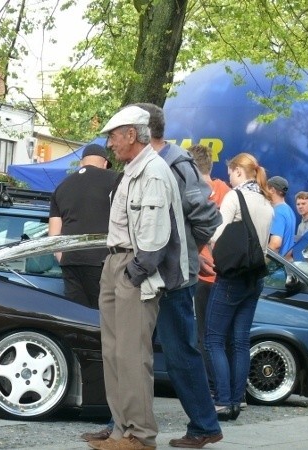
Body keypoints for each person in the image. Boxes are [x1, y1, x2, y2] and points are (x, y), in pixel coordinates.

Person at [92, 105, 188, 450]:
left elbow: (154, 233)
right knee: (116, 354)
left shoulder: (154, 171)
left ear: (131, 134)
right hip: (120, 264)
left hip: (133, 267)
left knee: (132, 355)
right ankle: (122, 430)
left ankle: (140, 436)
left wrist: (135, 272)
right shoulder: (138, 168)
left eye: (113, 136)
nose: (110, 144)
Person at [135, 104, 224, 449]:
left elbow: (207, 217)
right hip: (151, 273)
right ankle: (120, 423)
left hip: (171, 278)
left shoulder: (176, 164)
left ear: (140, 129)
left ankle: (204, 426)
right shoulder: (146, 163)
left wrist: (188, 251)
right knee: (134, 350)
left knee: (180, 353)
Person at [205, 153, 274, 422]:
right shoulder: (267, 202)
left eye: (230, 172)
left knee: (213, 339)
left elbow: (217, 234)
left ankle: (223, 400)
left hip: (232, 276)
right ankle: (237, 399)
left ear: (237, 171)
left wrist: (211, 245)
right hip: (255, 277)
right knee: (240, 340)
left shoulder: (235, 197)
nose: (229, 177)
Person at [49, 143, 118, 308]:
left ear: (81, 163)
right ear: (105, 163)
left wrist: (63, 258)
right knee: (104, 317)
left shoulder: (61, 187)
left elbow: (53, 235)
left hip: (71, 262)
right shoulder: (116, 180)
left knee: (77, 317)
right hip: (102, 261)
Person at [188, 143, 230, 393]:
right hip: (225, 273)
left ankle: (212, 388)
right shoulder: (226, 191)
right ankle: (230, 390)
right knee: (225, 337)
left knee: (204, 336)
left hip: (201, 272)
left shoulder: (192, 192)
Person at [266, 175, 296, 256]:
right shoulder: (289, 210)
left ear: (272, 190)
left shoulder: (277, 212)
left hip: (275, 267)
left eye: (266, 189)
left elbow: (275, 244)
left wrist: (262, 263)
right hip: (285, 265)